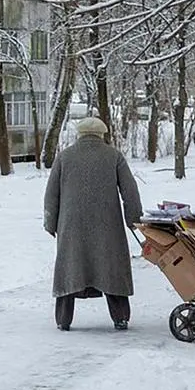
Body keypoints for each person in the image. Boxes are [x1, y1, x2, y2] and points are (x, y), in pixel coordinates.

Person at [43, 116, 142, 331]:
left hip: (71, 227)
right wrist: (134, 219)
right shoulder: (113, 156)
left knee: (70, 268)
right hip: (108, 227)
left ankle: (63, 320)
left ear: (79, 134)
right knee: (111, 268)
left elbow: (51, 195)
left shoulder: (64, 157)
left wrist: (51, 223)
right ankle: (120, 317)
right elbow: (130, 191)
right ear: (102, 134)